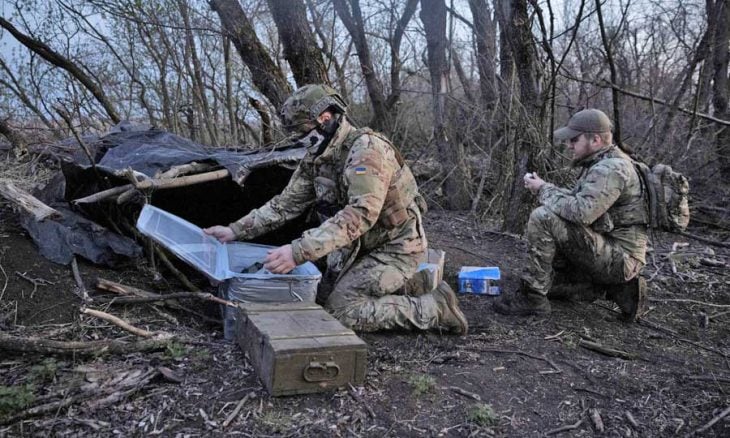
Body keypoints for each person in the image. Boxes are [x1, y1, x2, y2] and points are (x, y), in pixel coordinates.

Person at [204, 84, 468, 334]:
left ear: (326, 118)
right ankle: (413, 284)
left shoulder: (367, 150)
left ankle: (435, 309)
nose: (300, 142)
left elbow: (361, 214)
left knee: (341, 310)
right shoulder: (317, 157)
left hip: (396, 247)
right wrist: (234, 230)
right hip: (357, 246)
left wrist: (298, 252)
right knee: (320, 293)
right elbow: (285, 204)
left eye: (303, 134)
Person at [494, 109, 648, 321]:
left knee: (543, 217)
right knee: (556, 285)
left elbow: (580, 212)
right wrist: (545, 186)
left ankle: (534, 299)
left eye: (574, 140)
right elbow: (579, 202)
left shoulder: (611, 168)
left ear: (595, 139)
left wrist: (543, 190)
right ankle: (603, 288)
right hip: (612, 249)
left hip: (620, 259)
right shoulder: (605, 162)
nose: (569, 145)